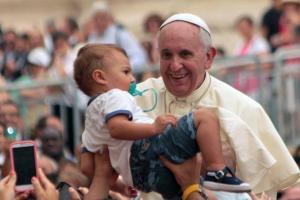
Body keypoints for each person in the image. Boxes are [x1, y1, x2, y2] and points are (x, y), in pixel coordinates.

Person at [134, 13, 299, 199]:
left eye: (185, 54)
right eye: (166, 55)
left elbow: (260, 191)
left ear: (208, 57)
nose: (175, 65)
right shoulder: (137, 99)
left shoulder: (245, 109)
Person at [74, 43, 251, 199]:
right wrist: (153, 128)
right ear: (100, 77)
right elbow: (117, 128)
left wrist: (114, 179)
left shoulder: (91, 117)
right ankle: (218, 171)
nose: (133, 79)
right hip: (147, 150)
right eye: (126, 72)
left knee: (180, 192)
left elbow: (87, 167)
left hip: (139, 178)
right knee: (205, 117)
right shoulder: (116, 95)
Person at [87, 1, 147, 75]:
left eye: (102, 18)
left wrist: (121, 70)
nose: (99, 22)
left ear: (109, 18)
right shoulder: (92, 38)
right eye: (96, 19)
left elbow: (139, 57)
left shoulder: (120, 34)